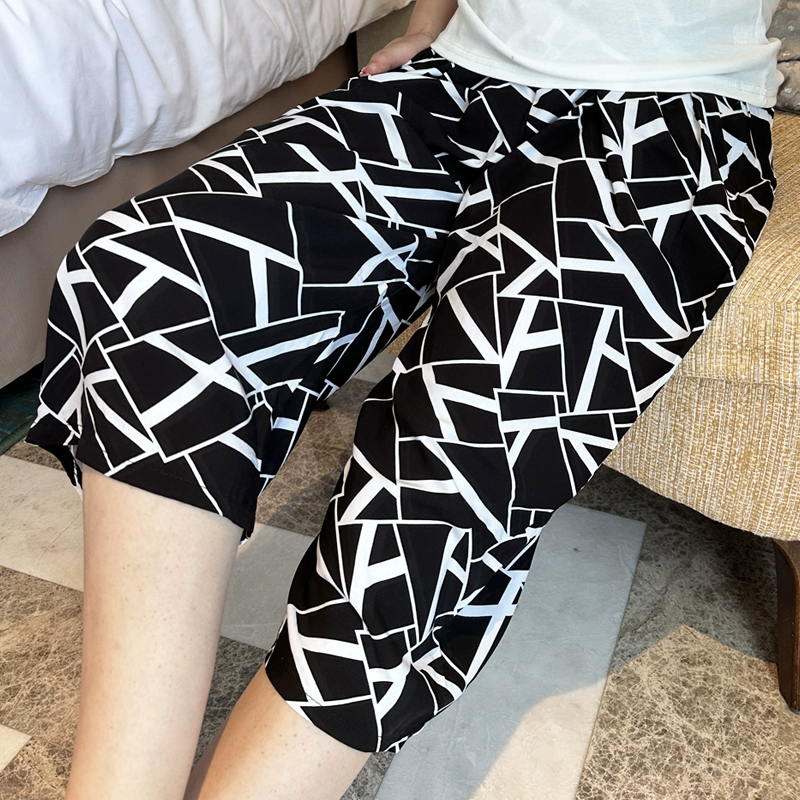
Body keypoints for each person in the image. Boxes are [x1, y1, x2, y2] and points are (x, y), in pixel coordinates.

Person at [25, 0, 781, 797]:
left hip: (672, 124)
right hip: (459, 80)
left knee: (452, 464)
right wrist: (427, 22)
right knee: (153, 284)